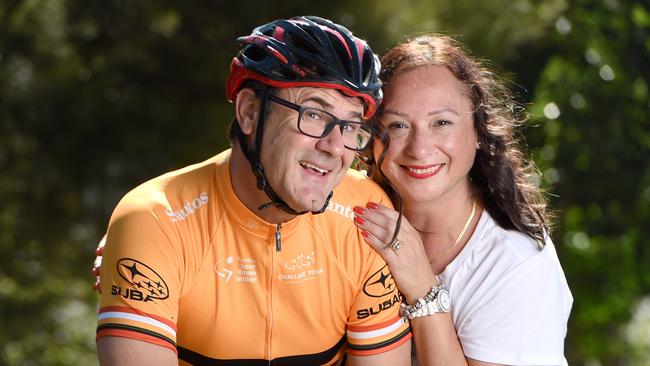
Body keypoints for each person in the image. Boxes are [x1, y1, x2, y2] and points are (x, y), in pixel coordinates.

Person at [94, 16, 411, 365]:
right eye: (314, 114)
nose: (336, 147)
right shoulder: (157, 218)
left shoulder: (364, 212)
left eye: (351, 126)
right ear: (249, 112)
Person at [351, 34, 573, 365]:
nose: (420, 148)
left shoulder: (516, 263)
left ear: (479, 132)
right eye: (398, 125)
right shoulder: (350, 218)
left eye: (441, 123)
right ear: (374, 139)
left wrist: (423, 287)